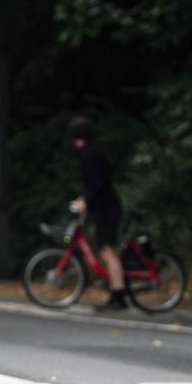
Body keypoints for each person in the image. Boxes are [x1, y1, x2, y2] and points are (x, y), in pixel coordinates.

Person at [68, 115, 127, 310]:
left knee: (107, 250)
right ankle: (115, 291)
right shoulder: (95, 152)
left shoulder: (89, 155)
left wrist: (86, 201)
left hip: (106, 209)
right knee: (106, 250)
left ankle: (118, 294)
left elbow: (96, 184)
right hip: (106, 207)